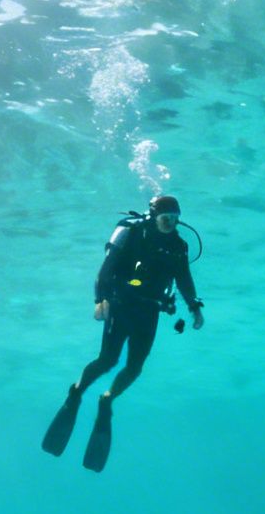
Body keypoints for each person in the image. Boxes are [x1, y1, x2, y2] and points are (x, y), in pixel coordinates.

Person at [41, 193, 202, 472]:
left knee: (135, 367)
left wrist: (194, 306)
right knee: (108, 360)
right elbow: (105, 270)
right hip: (121, 304)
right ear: (154, 216)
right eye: (166, 218)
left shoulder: (178, 246)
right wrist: (99, 299)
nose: (170, 223)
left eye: (175, 219)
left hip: (150, 310)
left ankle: (107, 399)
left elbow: (183, 278)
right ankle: (76, 393)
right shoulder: (131, 233)